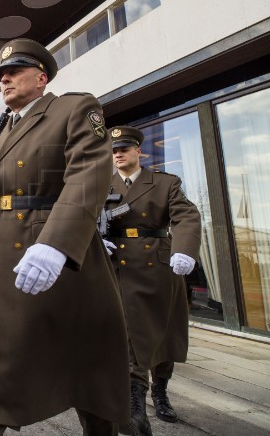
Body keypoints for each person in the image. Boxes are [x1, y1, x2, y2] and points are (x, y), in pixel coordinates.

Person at [0, 38, 130, 435]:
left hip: (59, 258)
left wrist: (55, 243)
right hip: (8, 257)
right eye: (0, 75)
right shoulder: (5, 130)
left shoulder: (73, 108)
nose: (4, 80)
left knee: (87, 370)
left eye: (14, 72)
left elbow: (89, 173)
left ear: (41, 77)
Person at [105, 126, 201, 435]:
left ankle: (160, 392)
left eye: (124, 148)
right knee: (131, 334)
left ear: (138, 152)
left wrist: (184, 248)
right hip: (117, 266)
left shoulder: (163, 183)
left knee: (163, 334)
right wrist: (94, 240)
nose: (118, 153)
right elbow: (84, 216)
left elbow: (186, 215)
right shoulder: (101, 184)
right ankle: (135, 407)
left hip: (158, 267)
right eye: (113, 150)